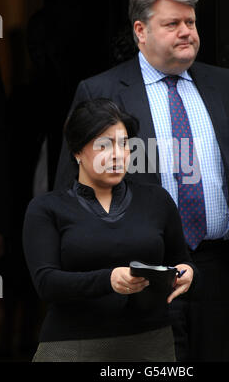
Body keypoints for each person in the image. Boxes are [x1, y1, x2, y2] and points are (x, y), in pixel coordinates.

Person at [54, 0, 229, 362]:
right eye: (172, 24)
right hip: (141, 271)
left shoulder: (223, 83)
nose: (186, 32)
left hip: (217, 271)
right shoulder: (102, 91)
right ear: (140, 31)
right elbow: (72, 190)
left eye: (191, 23)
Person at [22, 98, 194, 362]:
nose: (118, 154)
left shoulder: (157, 201)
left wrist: (186, 272)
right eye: (104, 145)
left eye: (124, 144)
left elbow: (180, 259)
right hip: (72, 345)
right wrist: (109, 279)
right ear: (77, 151)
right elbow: (46, 283)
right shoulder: (47, 209)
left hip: (149, 343)